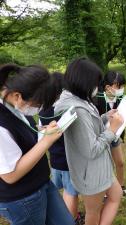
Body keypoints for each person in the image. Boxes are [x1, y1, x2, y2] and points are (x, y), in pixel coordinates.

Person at [0, 64, 74, 225]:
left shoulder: (13, 104)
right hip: (22, 198)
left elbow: (21, 133)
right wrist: (46, 141)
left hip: (41, 183)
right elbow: (10, 175)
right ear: (18, 96)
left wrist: (42, 130)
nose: (39, 109)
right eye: (37, 104)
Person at [54, 58, 123, 225]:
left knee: (116, 195)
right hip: (90, 173)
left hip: (100, 167)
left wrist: (106, 117)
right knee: (93, 212)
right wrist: (112, 129)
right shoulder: (76, 108)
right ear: (83, 81)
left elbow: (88, 128)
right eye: (95, 83)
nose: (97, 87)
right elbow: (91, 149)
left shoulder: (80, 98)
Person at [38, 72, 83, 224]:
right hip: (68, 159)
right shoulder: (64, 109)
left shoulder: (43, 109)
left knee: (60, 189)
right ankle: (72, 219)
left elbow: (43, 130)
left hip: (54, 157)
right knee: (71, 193)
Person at [94, 71, 126, 196]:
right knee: (106, 166)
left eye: (123, 86)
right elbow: (93, 121)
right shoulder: (96, 99)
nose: (122, 89)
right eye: (119, 86)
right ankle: (106, 191)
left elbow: (123, 115)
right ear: (108, 87)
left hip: (115, 136)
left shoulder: (122, 99)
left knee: (120, 162)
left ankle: (121, 186)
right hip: (101, 138)